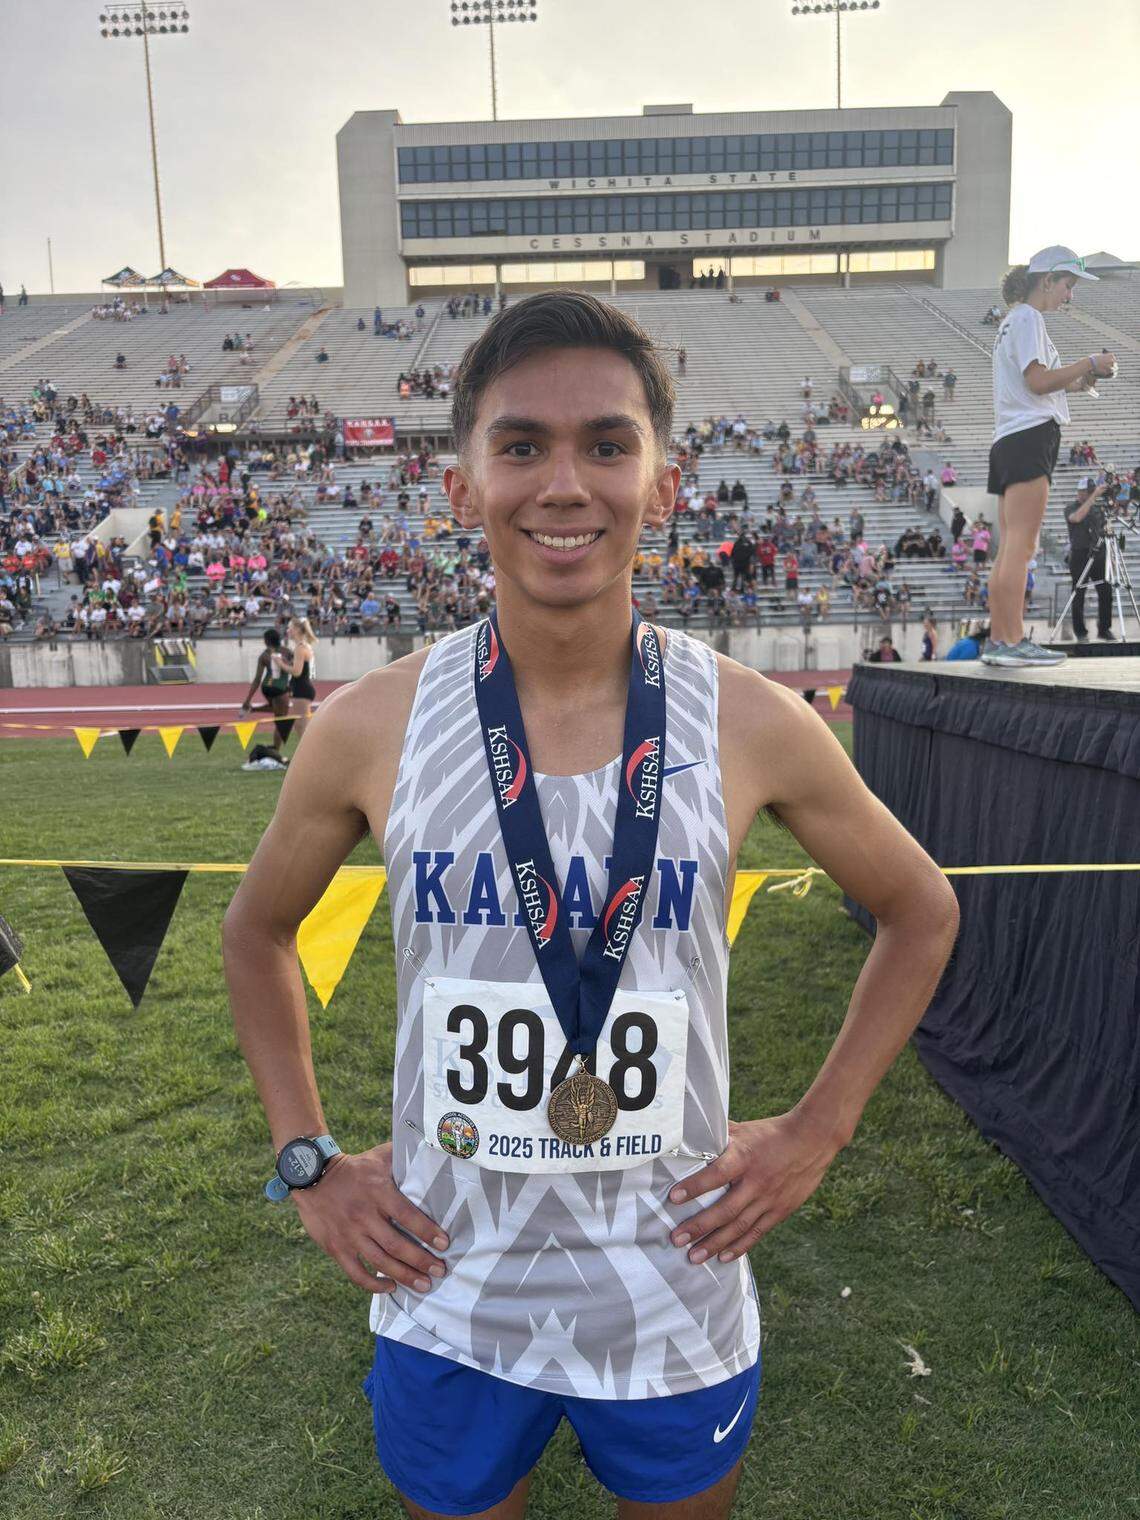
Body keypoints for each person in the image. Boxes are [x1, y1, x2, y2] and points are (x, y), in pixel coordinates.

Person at [222, 291, 959, 1520]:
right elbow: (255, 931)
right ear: (462, 487)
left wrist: (820, 1127)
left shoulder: (746, 717)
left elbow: (919, 907)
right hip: (445, 1282)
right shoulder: (371, 724)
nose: (565, 483)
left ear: (662, 483)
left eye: (608, 444)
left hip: (672, 1279)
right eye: (520, 445)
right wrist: (307, 1158)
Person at [983, 247, 1115, 667]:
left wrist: (1079, 380)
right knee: (1022, 546)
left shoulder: (1016, 321)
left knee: (1011, 547)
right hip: (1028, 437)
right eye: (1067, 285)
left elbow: (1037, 383)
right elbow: (1038, 382)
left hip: (1011, 438)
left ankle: (1000, 640)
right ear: (1047, 280)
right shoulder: (1027, 318)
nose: (1069, 296)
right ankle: (1012, 641)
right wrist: (1088, 361)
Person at [1065, 476, 1115, 643]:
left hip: (1099, 552)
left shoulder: (1098, 509)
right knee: (1078, 593)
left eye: (1087, 492)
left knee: (1106, 591)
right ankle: (1081, 632)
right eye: (1082, 491)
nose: (1083, 494)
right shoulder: (1070, 507)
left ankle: (1104, 629)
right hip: (1080, 554)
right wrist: (1093, 497)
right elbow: (1076, 518)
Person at [276, 615, 317, 736]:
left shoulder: (300, 648)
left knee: (303, 730)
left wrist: (280, 663)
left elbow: (297, 672)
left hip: (302, 690)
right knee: (301, 727)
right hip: (301, 689)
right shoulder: (302, 646)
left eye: (290, 628)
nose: (288, 630)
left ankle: (312, 754)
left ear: (298, 630)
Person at [240, 628, 294, 720]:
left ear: (267, 641)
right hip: (279, 687)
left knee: (277, 710)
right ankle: (253, 710)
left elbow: (257, 679)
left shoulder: (263, 656)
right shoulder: (287, 652)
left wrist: (248, 699)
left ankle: (252, 709)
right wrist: (291, 686)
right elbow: (295, 670)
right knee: (282, 719)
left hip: (266, 687)